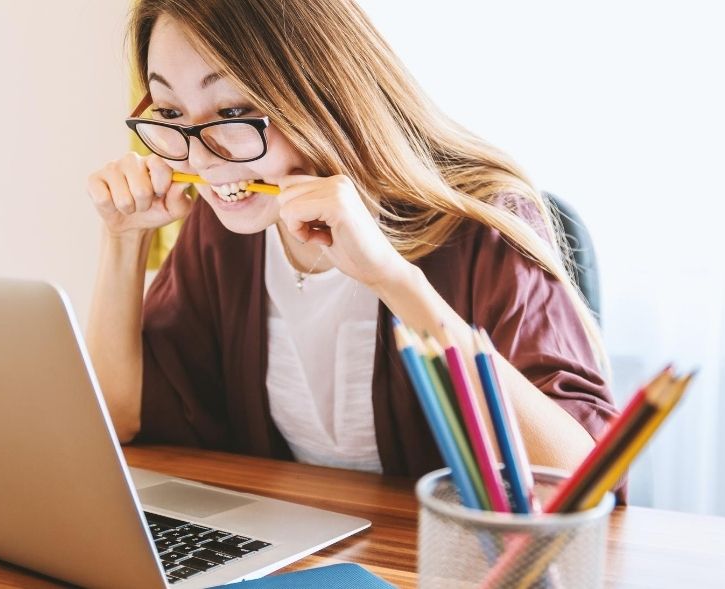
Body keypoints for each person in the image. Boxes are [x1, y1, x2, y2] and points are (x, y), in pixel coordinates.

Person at [85, 0, 621, 493]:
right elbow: (118, 419)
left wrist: (392, 278)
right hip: (299, 545)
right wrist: (124, 240)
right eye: (171, 114)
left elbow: (582, 482)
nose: (201, 160)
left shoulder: (482, 223)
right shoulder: (223, 228)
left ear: (320, 93)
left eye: (231, 112)